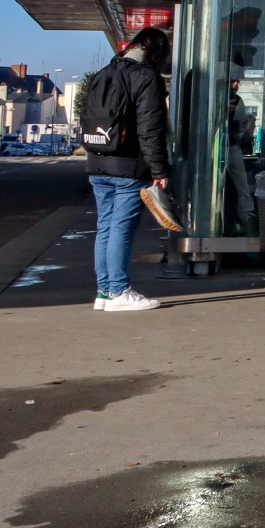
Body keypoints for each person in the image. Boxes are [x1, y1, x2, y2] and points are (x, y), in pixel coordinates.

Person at [83, 26, 173, 313]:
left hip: (98, 162)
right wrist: (159, 170)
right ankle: (120, 291)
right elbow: (150, 130)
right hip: (129, 167)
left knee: (105, 227)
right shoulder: (146, 78)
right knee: (121, 229)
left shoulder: (103, 74)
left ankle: (104, 291)